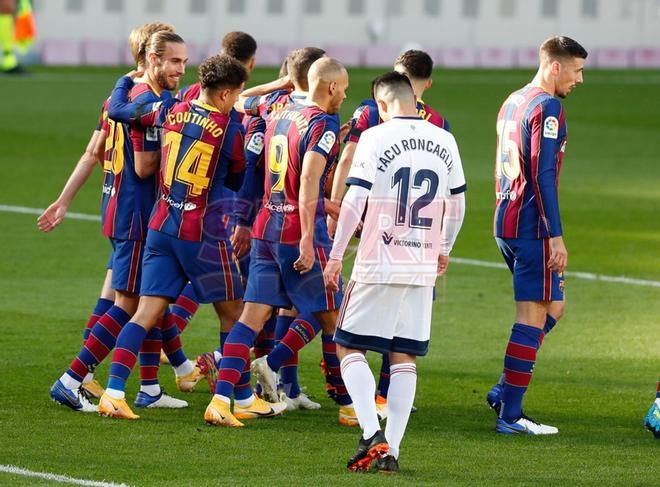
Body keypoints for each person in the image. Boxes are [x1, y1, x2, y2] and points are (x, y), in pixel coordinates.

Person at [98, 54, 281, 422]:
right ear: (227, 93)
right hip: (200, 233)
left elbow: (118, 111)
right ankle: (233, 399)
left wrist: (122, 81)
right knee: (234, 313)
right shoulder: (229, 128)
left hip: (160, 225)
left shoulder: (169, 109)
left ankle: (115, 392)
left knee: (146, 311)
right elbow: (234, 179)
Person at [47, 24, 198, 411]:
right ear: (152, 58)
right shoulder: (147, 103)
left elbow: (93, 151)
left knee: (151, 297)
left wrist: (64, 201)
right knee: (130, 303)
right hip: (136, 212)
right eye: (176, 61)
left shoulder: (124, 95)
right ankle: (73, 377)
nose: (183, 69)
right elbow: (147, 166)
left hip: (118, 204)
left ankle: (150, 388)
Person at [323, 71, 465, 473]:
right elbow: (457, 206)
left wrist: (335, 255)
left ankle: (371, 432)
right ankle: (393, 452)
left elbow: (354, 200)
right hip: (421, 263)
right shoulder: (445, 139)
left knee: (348, 344)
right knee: (404, 355)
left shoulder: (375, 136)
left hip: (378, 259)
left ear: (381, 104)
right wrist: (444, 249)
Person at [205, 57, 350, 427]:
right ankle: (351, 407)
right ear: (330, 86)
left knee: (251, 317)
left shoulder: (279, 110)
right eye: (343, 88)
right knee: (333, 315)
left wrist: (278, 83)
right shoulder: (323, 124)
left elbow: (240, 102)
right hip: (295, 231)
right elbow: (307, 183)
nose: (345, 96)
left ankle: (222, 401)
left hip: (265, 225)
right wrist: (306, 239)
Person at [485, 36, 587, 435]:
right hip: (532, 224)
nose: (580, 79)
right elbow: (542, 173)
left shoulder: (514, 100)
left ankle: (505, 388)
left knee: (553, 307)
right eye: (577, 70)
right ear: (555, 66)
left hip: (505, 218)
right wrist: (555, 235)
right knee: (531, 315)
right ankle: (510, 415)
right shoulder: (548, 107)